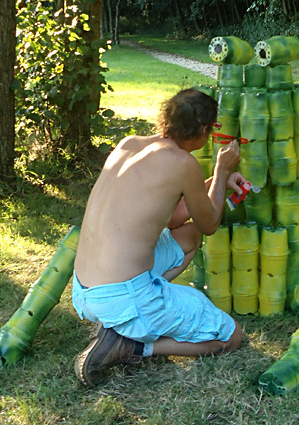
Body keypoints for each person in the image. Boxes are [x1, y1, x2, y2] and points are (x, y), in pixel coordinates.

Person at [72, 88, 246, 388]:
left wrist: (217, 183)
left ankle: (137, 316)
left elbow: (175, 216)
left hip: (85, 291)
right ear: (204, 129)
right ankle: (131, 345)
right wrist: (221, 169)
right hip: (122, 296)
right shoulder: (182, 163)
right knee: (230, 337)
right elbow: (209, 223)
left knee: (187, 236)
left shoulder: (129, 144)